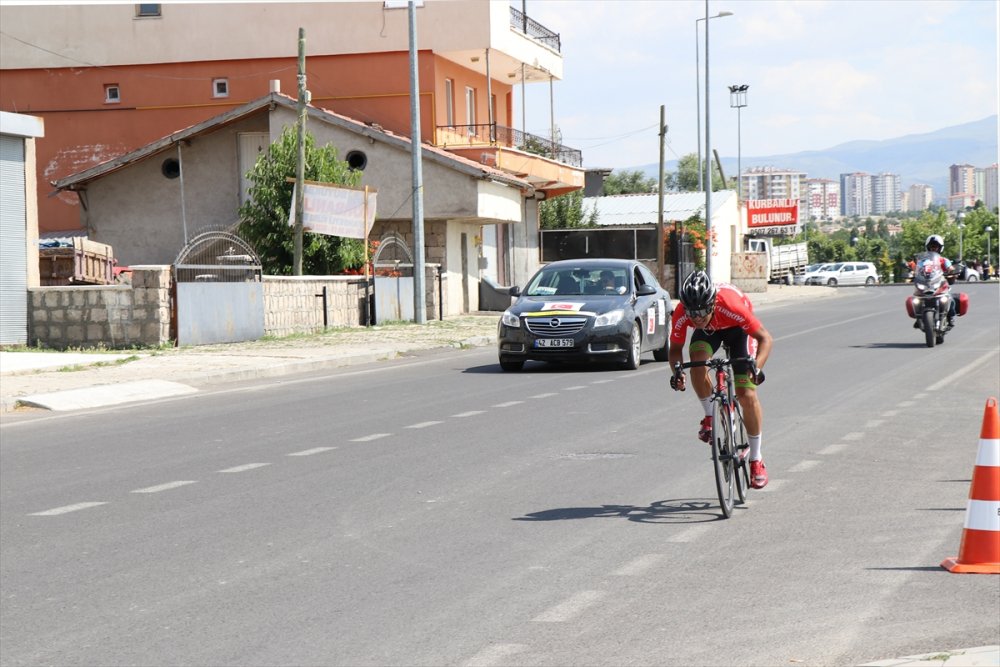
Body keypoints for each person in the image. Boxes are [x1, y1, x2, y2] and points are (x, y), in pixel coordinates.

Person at [668, 271, 774, 489]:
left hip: (738, 331)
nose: (697, 318)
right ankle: (709, 416)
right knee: (697, 362)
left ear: (713, 303)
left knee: (746, 394)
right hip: (709, 333)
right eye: (692, 312)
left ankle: (756, 459)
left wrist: (756, 367)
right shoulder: (683, 312)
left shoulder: (731, 305)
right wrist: (677, 373)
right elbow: (675, 349)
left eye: (702, 311)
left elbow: (765, 338)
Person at [915, 235, 957, 326]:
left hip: (940, 281)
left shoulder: (943, 260)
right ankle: (919, 317)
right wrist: (913, 272)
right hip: (926, 282)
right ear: (928, 247)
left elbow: (950, 267)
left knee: (949, 298)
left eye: (936, 246)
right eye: (931, 246)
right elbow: (917, 268)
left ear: (940, 248)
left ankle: (951, 316)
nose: (933, 248)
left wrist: (952, 270)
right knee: (916, 297)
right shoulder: (923, 261)